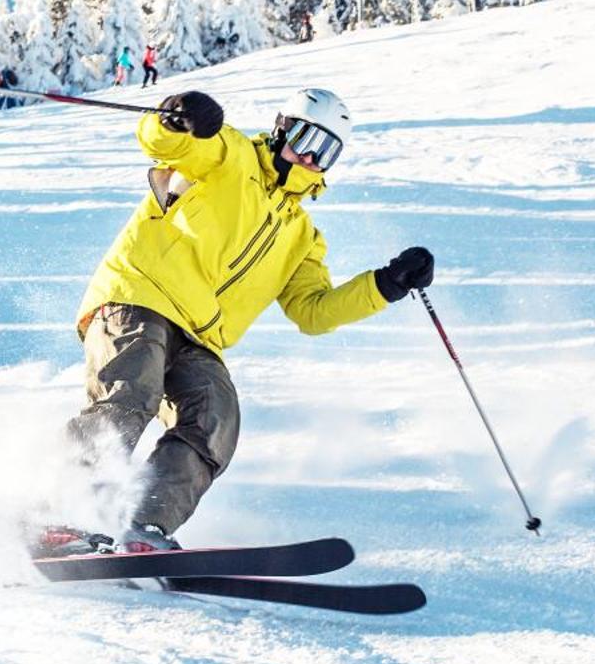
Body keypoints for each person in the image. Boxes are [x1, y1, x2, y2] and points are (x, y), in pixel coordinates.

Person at [50, 87, 434, 554]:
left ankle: (145, 526)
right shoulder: (231, 156)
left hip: (199, 335)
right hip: (139, 297)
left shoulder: (301, 236)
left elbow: (314, 310)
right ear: (282, 129)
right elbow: (168, 145)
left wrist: (386, 284)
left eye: (326, 151)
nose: (312, 157)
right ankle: (57, 510)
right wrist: (179, 118)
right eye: (307, 139)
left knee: (216, 419)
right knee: (133, 392)